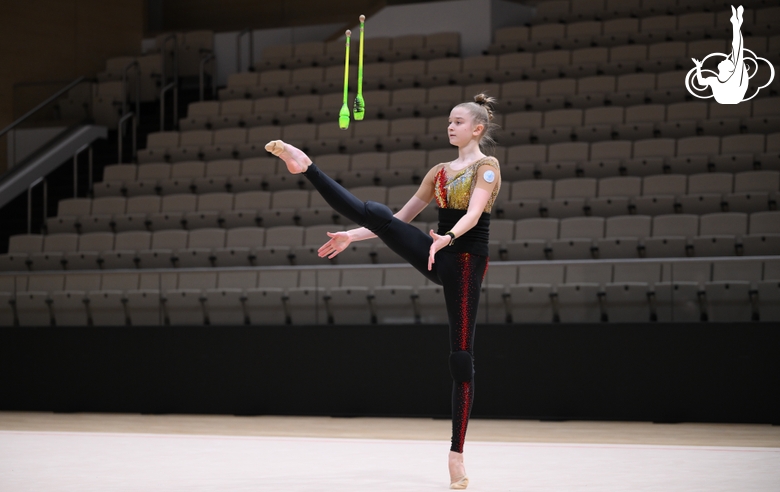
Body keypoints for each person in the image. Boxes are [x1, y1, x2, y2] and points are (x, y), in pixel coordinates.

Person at [266, 93, 501, 490]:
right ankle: (305, 166)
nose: (450, 126)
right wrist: (352, 236)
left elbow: (475, 212)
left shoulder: (487, 166)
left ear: (477, 128)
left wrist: (447, 237)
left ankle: (456, 454)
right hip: (435, 252)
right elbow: (398, 219)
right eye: (449, 120)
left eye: (458, 122)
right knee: (374, 212)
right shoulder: (439, 171)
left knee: (461, 356)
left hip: (463, 264)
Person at [691, 5, 748, 104]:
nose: (725, 59)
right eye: (728, 60)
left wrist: (736, 26)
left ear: (730, 69)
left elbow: (738, 47)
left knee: (737, 50)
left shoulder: (735, 77)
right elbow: (700, 82)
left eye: (728, 61)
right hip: (726, 98)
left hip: (733, 96)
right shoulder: (714, 80)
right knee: (736, 52)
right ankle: (736, 23)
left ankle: (736, 23)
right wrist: (698, 67)